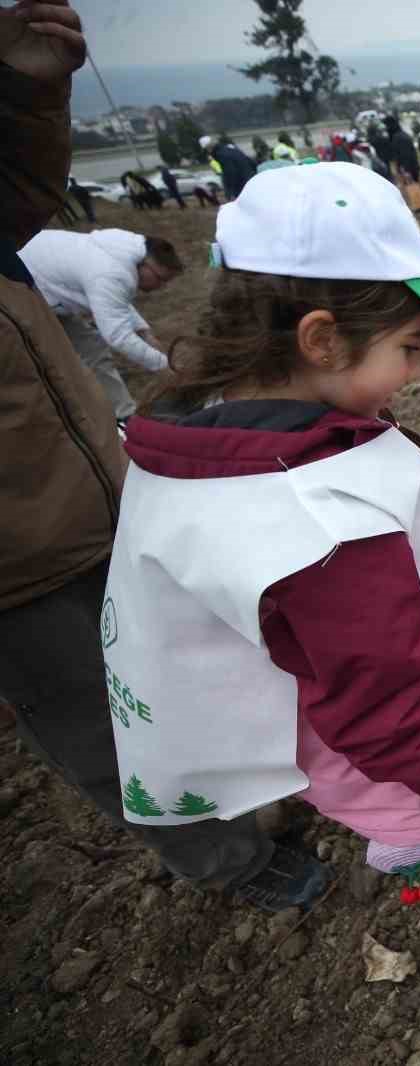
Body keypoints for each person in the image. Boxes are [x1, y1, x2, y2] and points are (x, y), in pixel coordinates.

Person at [106, 162, 420, 986]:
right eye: (409, 348)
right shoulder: (316, 522)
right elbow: (389, 707)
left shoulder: (211, 438)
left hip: (380, 731)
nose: (416, 370)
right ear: (320, 338)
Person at [0, 0, 301, 915]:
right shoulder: (104, 271)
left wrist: (21, 92)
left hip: (99, 486)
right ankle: (230, 862)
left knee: (185, 659)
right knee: (104, 720)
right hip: (18, 564)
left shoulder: (70, 249)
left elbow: (15, 195)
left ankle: (259, 797)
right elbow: (122, 334)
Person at [19, 229, 182, 421]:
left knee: (91, 348)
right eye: (160, 279)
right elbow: (119, 337)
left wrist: (145, 333)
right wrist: (165, 368)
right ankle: (86, 419)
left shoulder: (121, 252)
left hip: (42, 284)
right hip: (20, 290)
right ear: (146, 264)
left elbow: (115, 301)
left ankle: (122, 414)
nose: (161, 287)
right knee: (42, 362)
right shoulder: (111, 272)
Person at [202, 135, 257, 200]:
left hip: (241, 185)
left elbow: (230, 173)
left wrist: (230, 192)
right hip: (251, 180)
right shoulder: (230, 148)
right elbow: (251, 161)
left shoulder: (221, 154)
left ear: (208, 148)